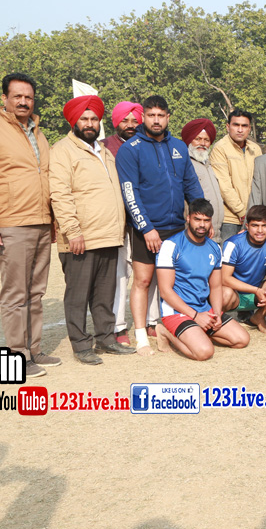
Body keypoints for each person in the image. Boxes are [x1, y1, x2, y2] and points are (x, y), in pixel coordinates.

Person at [0, 73, 61, 377]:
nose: (23, 102)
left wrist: (52, 220)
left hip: (41, 221)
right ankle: (16, 356)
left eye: (28, 97)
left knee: (36, 292)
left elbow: (45, 177)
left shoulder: (38, 132)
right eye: (17, 96)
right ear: (4, 99)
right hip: (12, 223)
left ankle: (33, 350)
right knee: (15, 294)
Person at [48, 95, 135, 365]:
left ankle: (106, 338)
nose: (89, 123)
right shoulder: (62, 150)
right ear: (74, 122)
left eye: (94, 119)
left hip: (109, 235)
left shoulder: (104, 150)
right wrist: (72, 231)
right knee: (78, 296)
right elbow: (60, 194)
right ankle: (81, 345)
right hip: (81, 238)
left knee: (104, 294)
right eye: (84, 119)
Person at [116, 94, 205, 356]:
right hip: (147, 228)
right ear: (143, 117)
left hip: (177, 227)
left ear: (168, 117)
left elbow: (191, 185)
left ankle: (173, 326)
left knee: (176, 281)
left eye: (161, 116)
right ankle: (141, 336)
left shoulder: (179, 146)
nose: (156, 120)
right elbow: (130, 194)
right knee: (143, 280)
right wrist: (146, 228)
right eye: (151, 115)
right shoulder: (130, 149)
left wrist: (202, 216)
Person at [154, 199, 250, 360]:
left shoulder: (214, 247)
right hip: (177, 312)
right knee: (204, 352)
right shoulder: (171, 246)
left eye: (206, 220)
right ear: (188, 218)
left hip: (204, 309)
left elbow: (216, 286)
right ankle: (165, 333)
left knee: (242, 339)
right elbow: (165, 291)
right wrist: (196, 316)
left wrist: (217, 313)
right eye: (197, 219)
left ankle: (198, 333)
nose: (202, 225)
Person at [104, 101, 147, 346]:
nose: (130, 125)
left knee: (147, 275)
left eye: (135, 120)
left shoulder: (147, 144)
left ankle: (150, 322)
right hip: (118, 220)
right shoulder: (105, 147)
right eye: (125, 120)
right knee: (120, 275)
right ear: (116, 122)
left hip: (144, 221)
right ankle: (118, 326)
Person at [221, 205, 266, 332]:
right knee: (224, 294)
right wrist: (256, 290)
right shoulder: (233, 244)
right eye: (255, 225)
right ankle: (220, 323)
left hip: (258, 294)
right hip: (235, 295)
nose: (260, 230)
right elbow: (224, 279)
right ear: (247, 226)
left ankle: (258, 317)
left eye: (264, 226)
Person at [210, 108, 263, 241]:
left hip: (254, 217)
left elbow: (260, 183)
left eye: (244, 126)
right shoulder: (220, 148)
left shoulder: (255, 149)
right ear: (228, 127)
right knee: (229, 252)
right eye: (236, 125)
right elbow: (224, 187)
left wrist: (254, 213)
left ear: (249, 128)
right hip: (230, 219)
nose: (240, 130)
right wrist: (242, 212)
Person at [182, 118, 225, 241]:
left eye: (206, 140)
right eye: (198, 139)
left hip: (215, 234)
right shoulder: (186, 164)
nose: (202, 143)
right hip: (196, 233)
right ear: (190, 140)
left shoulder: (209, 165)